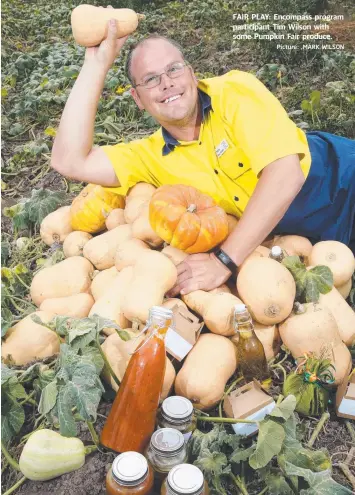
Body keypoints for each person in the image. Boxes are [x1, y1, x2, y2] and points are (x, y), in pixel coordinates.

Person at [51, 12, 355, 296]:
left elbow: (286, 174)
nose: (167, 82)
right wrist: (96, 64)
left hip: (342, 186)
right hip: (313, 241)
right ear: (138, 99)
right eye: (151, 79)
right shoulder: (150, 156)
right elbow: (69, 160)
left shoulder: (234, 92)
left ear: (192, 74)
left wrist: (224, 260)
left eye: (173, 69)